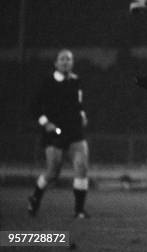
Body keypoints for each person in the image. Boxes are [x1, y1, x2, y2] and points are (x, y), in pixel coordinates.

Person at [27, 49, 90, 219]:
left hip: (75, 131)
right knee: (53, 172)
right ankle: (35, 197)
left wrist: (82, 115)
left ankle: (79, 210)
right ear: (55, 63)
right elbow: (34, 106)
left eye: (69, 59)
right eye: (62, 59)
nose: (65, 62)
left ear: (72, 62)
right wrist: (45, 123)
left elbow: (79, 103)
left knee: (82, 167)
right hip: (55, 132)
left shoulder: (76, 81)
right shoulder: (47, 82)